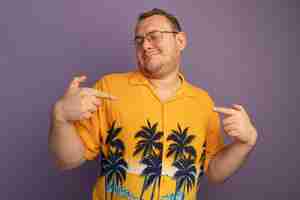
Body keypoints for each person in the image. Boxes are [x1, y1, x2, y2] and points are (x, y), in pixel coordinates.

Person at [49, 8, 257, 200]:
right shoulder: (109, 88)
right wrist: (61, 117)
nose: (145, 45)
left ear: (181, 41)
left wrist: (244, 144)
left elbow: (214, 171)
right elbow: (68, 160)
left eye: (154, 36)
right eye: (139, 40)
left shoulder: (203, 102)